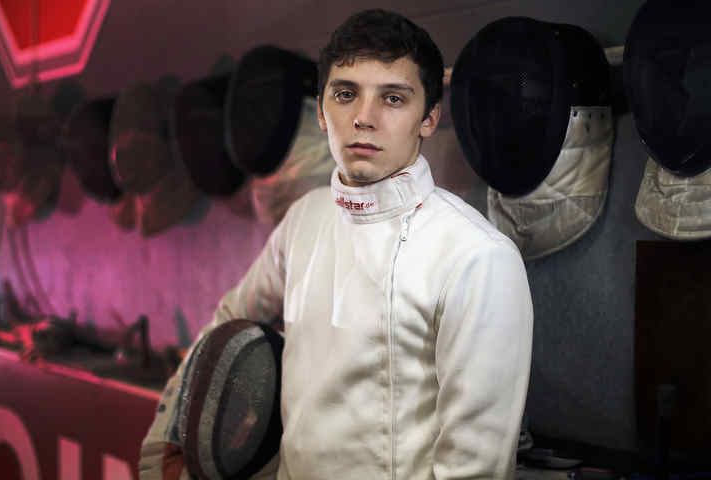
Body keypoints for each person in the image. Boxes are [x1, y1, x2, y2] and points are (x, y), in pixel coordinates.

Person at [140, 8, 533, 480]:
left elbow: (475, 470)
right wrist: (169, 433)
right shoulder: (305, 218)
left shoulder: (478, 256)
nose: (363, 119)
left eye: (392, 98)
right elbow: (228, 320)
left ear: (429, 118)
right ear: (323, 112)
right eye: (346, 95)